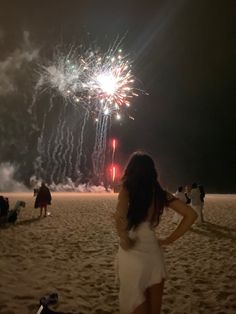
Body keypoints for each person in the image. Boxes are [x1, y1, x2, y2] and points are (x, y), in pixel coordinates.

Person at [114, 152, 197, 314]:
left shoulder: (127, 189)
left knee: (134, 301)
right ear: (152, 172)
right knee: (154, 309)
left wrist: (124, 238)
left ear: (131, 170)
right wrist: (168, 239)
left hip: (132, 252)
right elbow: (191, 215)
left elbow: (120, 217)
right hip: (153, 251)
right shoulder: (160, 193)